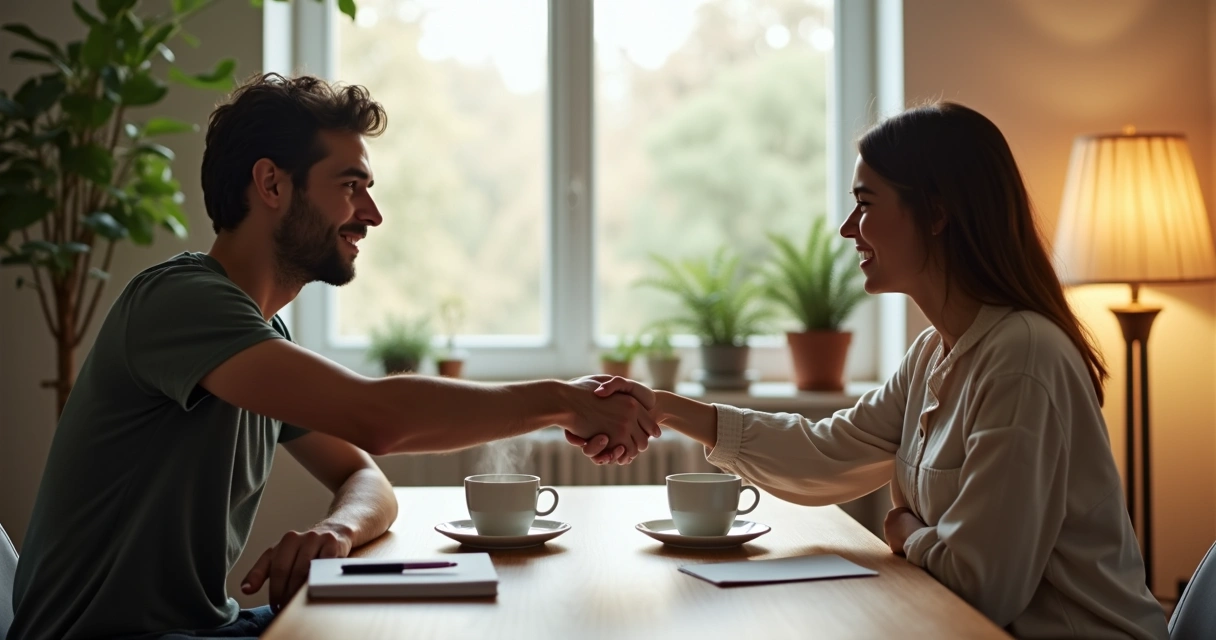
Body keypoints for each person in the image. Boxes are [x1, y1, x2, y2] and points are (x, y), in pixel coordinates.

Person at [9, 73, 654, 640]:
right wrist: (559, 402)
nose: (371, 214)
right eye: (350, 185)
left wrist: (338, 531)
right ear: (271, 184)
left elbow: (366, 476)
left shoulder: (259, 338)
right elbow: (379, 420)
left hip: (207, 627)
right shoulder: (181, 303)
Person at [573, 102, 1169, 639]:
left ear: (935, 213)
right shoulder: (936, 352)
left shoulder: (1023, 357)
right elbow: (824, 453)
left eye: (865, 204)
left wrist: (907, 532)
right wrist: (666, 407)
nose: (847, 229)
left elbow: (984, 586)